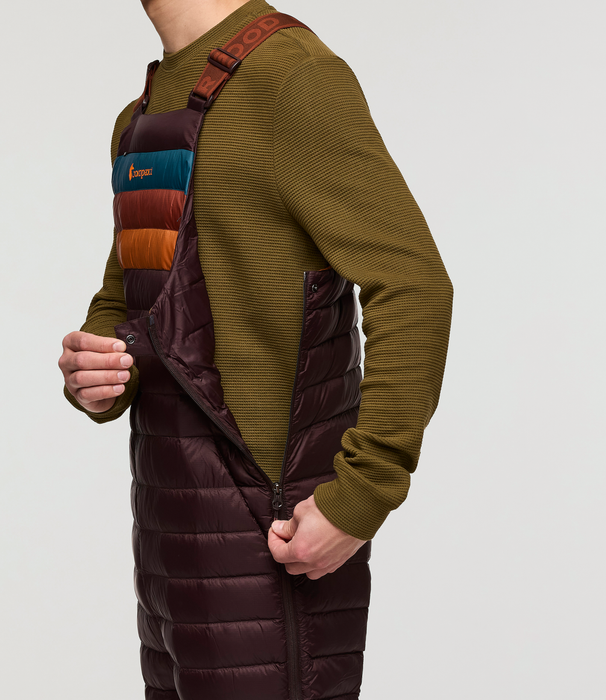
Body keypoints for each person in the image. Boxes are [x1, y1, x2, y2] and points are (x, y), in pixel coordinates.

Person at [58, 1, 453, 697]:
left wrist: (362, 493)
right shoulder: (140, 117)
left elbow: (414, 285)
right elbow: (129, 303)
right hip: (167, 532)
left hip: (271, 528)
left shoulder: (293, 78)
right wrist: (98, 368)